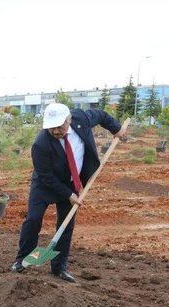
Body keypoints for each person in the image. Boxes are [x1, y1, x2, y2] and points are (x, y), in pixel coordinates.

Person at [11, 103, 126, 282]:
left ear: (69, 120)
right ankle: (22, 259)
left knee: (65, 225)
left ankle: (59, 267)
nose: (56, 131)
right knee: (33, 219)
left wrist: (116, 129)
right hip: (45, 184)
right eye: (52, 127)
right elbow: (46, 176)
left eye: (60, 126)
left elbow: (102, 116)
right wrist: (68, 194)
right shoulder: (40, 144)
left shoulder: (82, 118)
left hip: (72, 181)